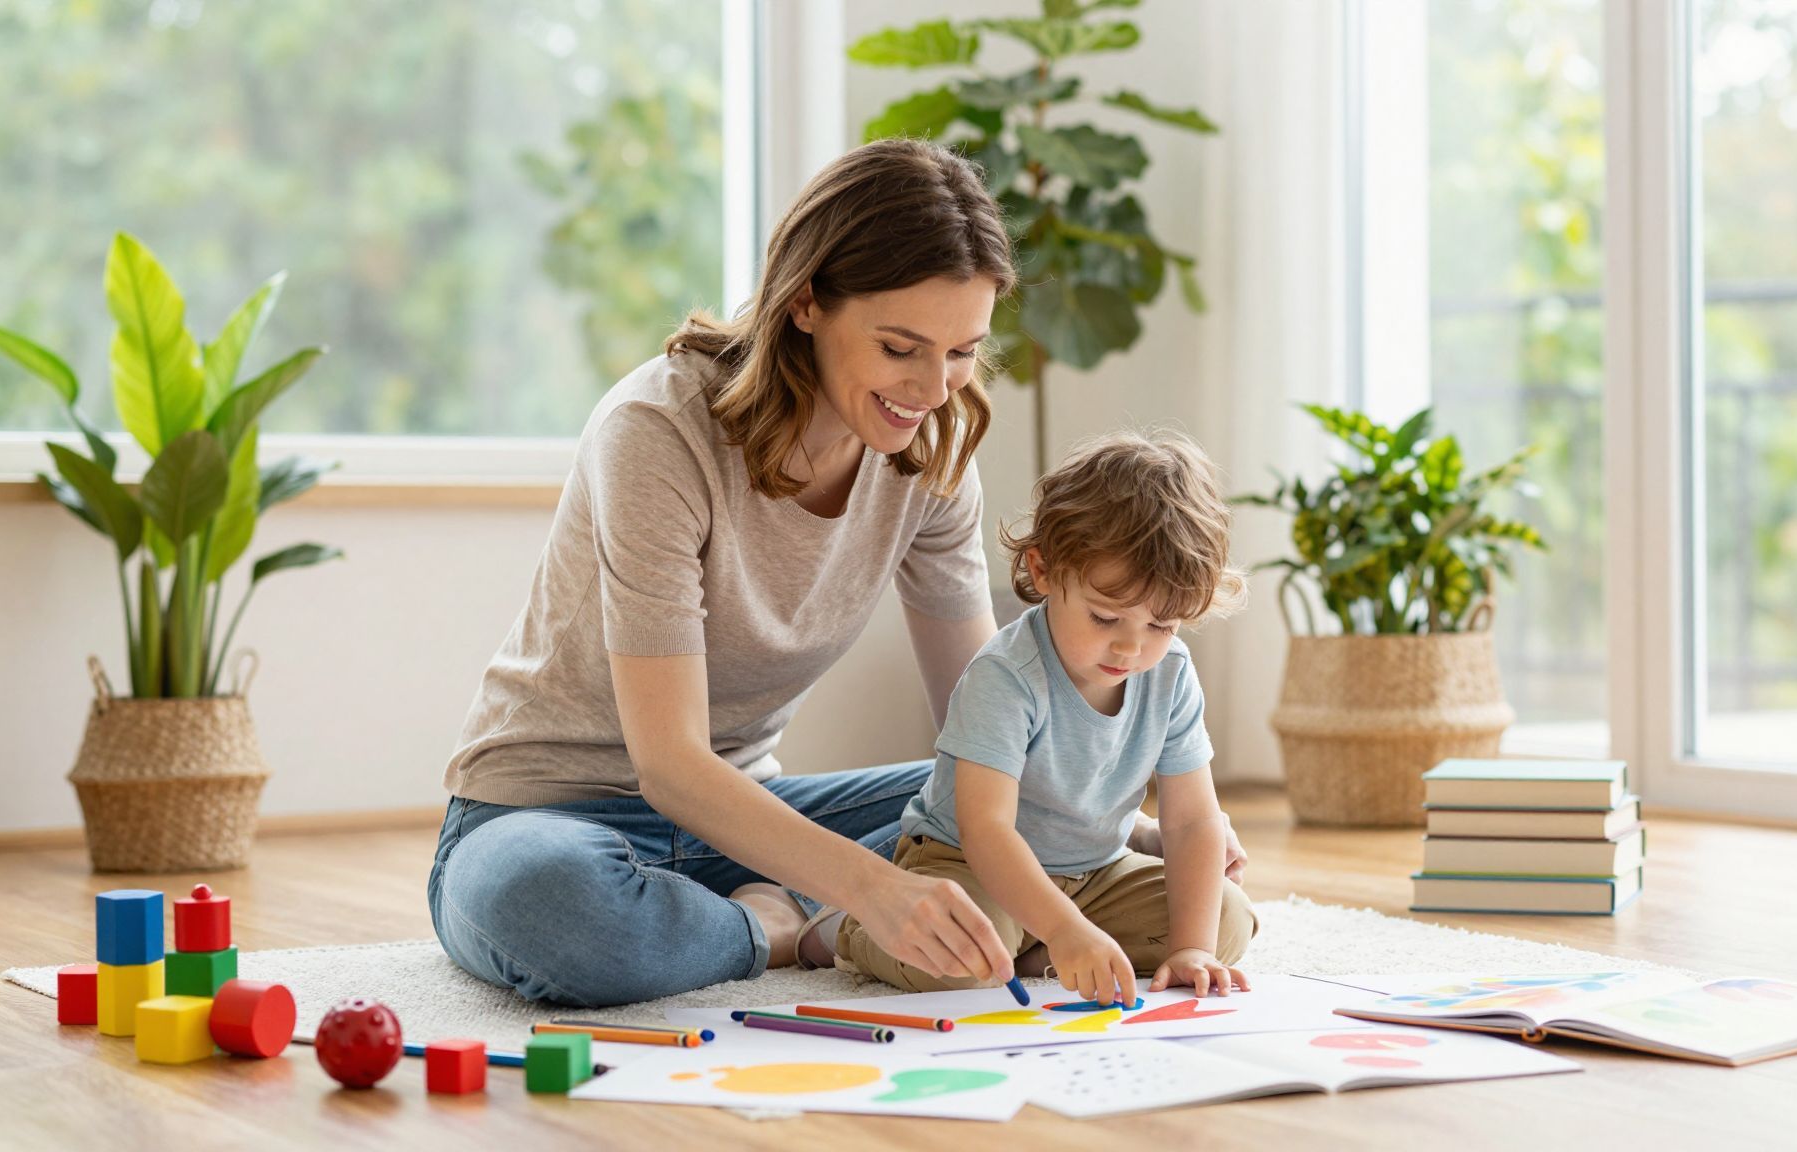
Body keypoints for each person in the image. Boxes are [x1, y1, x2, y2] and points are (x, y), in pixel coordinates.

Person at [424, 139, 1245, 1007]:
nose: (933, 387)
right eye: (901, 348)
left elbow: (992, 712)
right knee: (557, 915)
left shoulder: (929, 456)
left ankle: (754, 902)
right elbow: (668, 765)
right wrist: (870, 890)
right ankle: (776, 928)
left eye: (962, 352)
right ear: (807, 301)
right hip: (549, 814)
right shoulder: (658, 433)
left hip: (755, 816)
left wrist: (1127, 829)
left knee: (978, 818)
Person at [819, 430, 1256, 1005]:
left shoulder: (1170, 672)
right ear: (1044, 571)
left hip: (1096, 873)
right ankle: (843, 930)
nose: (1131, 649)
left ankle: (1035, 952)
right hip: (970, 864)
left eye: (1161, 626)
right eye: (1105, 618)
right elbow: (987, 831)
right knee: (957, 965)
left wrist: (1192, 948)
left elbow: (1193, 821)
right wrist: (1067, 929)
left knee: (1226, 918)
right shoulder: (1006, 675)